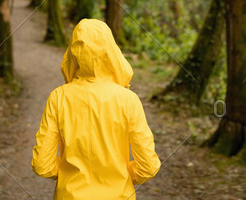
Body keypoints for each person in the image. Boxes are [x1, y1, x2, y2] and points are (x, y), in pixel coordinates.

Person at [31, 18, 161, 200]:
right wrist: (122, 174)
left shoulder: (58, 97)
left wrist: (68, 172)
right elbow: (148, 166)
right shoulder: (128, 100)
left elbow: (42, 165)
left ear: (73, 52)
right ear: (111, 50)